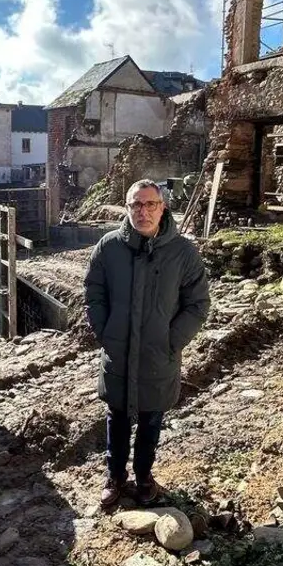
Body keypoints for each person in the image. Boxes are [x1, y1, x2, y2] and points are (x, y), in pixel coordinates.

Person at [84, 179, 210, 506]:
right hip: (119, 353)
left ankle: (143, 477)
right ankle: (114, 477)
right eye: (136, 205)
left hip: (159, 355)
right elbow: (93, 294)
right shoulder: (109, 247)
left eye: (150, 204)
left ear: (162, 207)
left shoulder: (182, 253)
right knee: (118, 418)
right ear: (127, 208)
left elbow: (197, 303)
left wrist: (173, 341)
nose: (143, 211)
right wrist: (106, 331)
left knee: (152, 419)